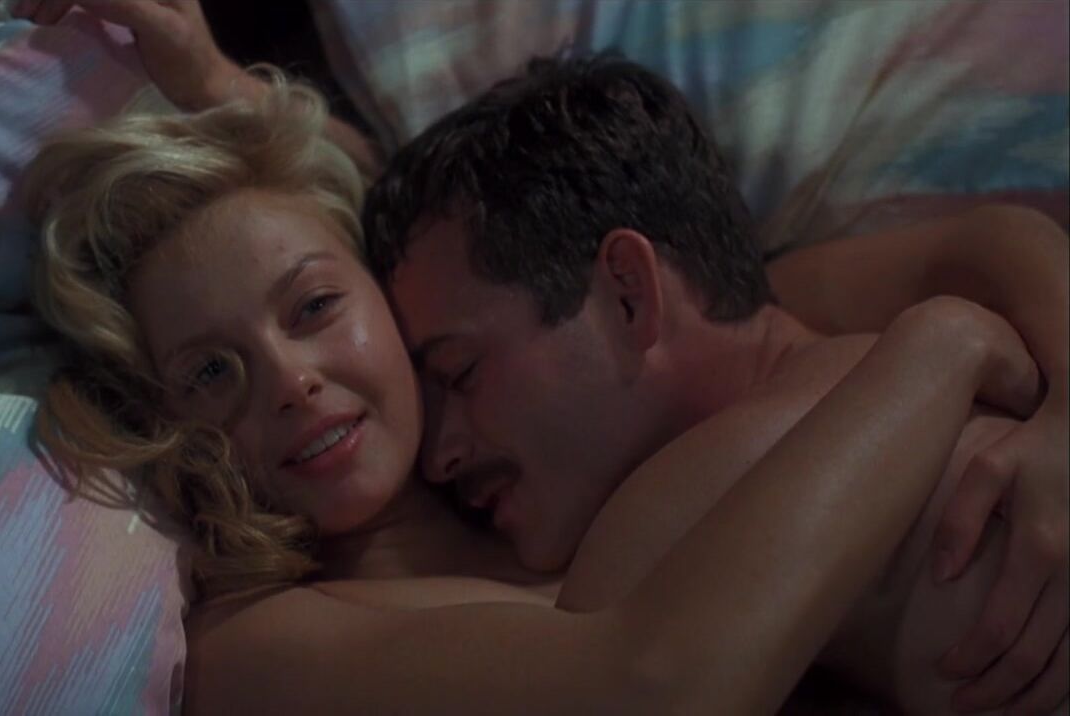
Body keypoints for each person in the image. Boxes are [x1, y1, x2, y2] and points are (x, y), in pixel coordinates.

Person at [12, 0, 1068, 712]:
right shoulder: (258, 644)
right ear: (165, 417)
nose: (291, 381)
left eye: (319, 306)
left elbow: (985, 243)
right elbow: (651, 688)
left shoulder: (584, 433)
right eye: (210, 373)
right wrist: (949, 342)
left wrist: (216, 81)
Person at [361, 54, 1069, 714]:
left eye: (459, 372)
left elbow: (586, 672)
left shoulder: (669, 516)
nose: (438, 455)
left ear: (628, 294)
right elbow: (985, 238)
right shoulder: (825, 332)